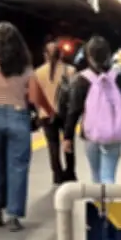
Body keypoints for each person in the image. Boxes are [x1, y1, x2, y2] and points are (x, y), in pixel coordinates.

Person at [0, 22, 54, 231]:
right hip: (18, 117)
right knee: (18, 167)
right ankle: (14, 215)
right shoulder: (24, 66)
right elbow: (34, 96)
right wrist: (49, 111)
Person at [63, 36, 121, 184]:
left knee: (96, 175)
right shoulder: (118, 77)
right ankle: (108, 198)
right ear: (108, 54)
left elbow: (74, 110)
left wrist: (68, 137)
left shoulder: (82, 79)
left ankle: (98, 198)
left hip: (91, 134)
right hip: (114, 134)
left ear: (88, 56)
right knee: (109, 177)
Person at [31, 41, 76, 184]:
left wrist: (39, 112)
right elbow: (74, 95)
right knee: (68, 142)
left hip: (46, 114)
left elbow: (35, 97)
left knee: (52, 145)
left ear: (45, 55)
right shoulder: (70, 71)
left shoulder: (37, 72)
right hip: (65, 114)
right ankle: (70, 172)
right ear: (61, 54)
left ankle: (57, 175)